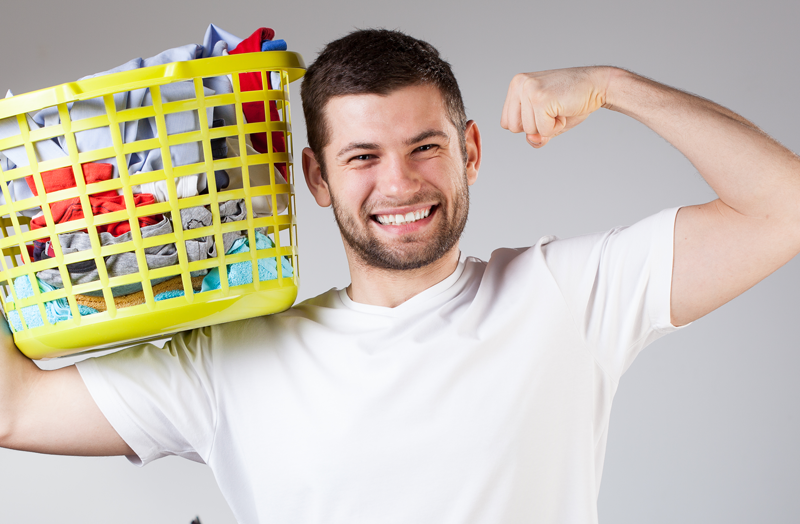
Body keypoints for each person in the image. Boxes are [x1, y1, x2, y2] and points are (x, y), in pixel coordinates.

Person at [1, 28, 799, 524]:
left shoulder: (568, 295)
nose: (400, 185)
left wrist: (615, 86)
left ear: (471, 152)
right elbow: (15, 408)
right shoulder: (230, 360)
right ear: (315, 178)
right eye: (361, 158)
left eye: (425, 147)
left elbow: (782, 208)